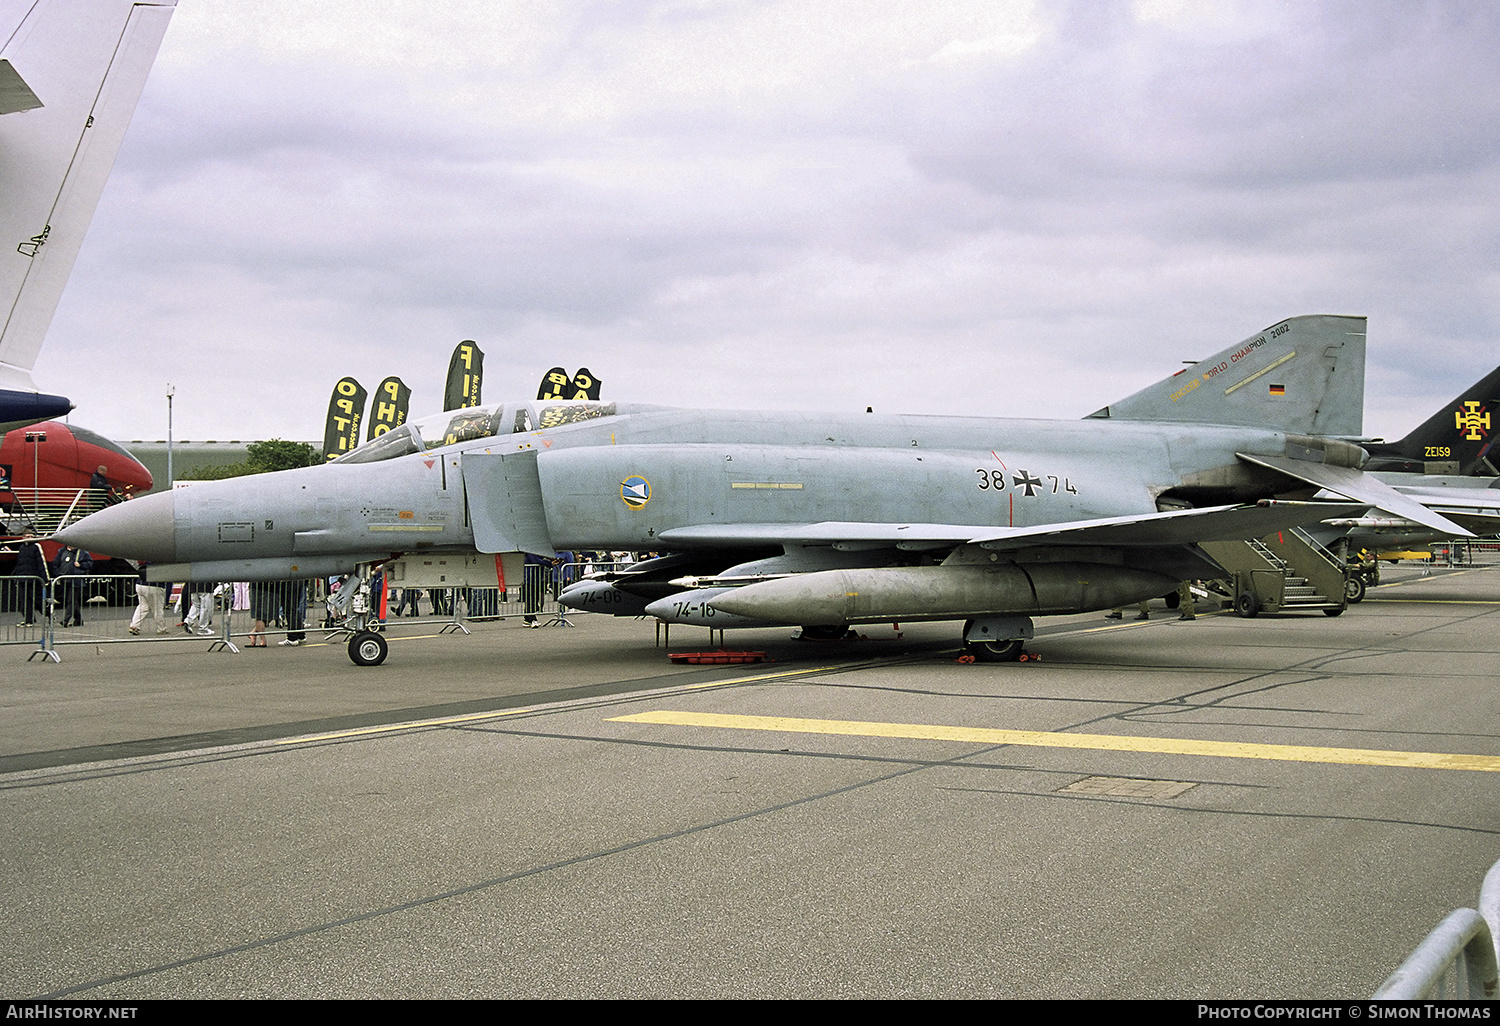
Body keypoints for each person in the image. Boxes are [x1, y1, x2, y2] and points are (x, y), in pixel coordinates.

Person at [11, 530, 47, 626]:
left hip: (34, 577)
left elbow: (41, 563)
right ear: (23, 537)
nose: (29, 538)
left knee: (37, 599)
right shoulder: (22, 547)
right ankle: (28, 619)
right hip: (23, 577)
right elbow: (19, 564)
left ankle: (48, 613)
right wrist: (16, 577)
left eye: (31, 536)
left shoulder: (36, 547)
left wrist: (45, 578)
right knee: (24, 600)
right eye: (27, 536)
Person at [53, 544, 92, 627]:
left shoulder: (82, 552)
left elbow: (90, 563)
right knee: (73, 601)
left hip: (76, 580)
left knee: (71, 600)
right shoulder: (61, 551)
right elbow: (55, 564)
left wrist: (81, 565)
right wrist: (58, 574)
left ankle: (65, 620)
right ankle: (78, 620)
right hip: (65, 580)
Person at [128, 561, 169, 635]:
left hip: (140, 584)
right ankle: (161, 628)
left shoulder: (147, 557)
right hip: (155, 586)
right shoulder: (161, 560)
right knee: (157, 608)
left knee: (142, 606)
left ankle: (134, 626)